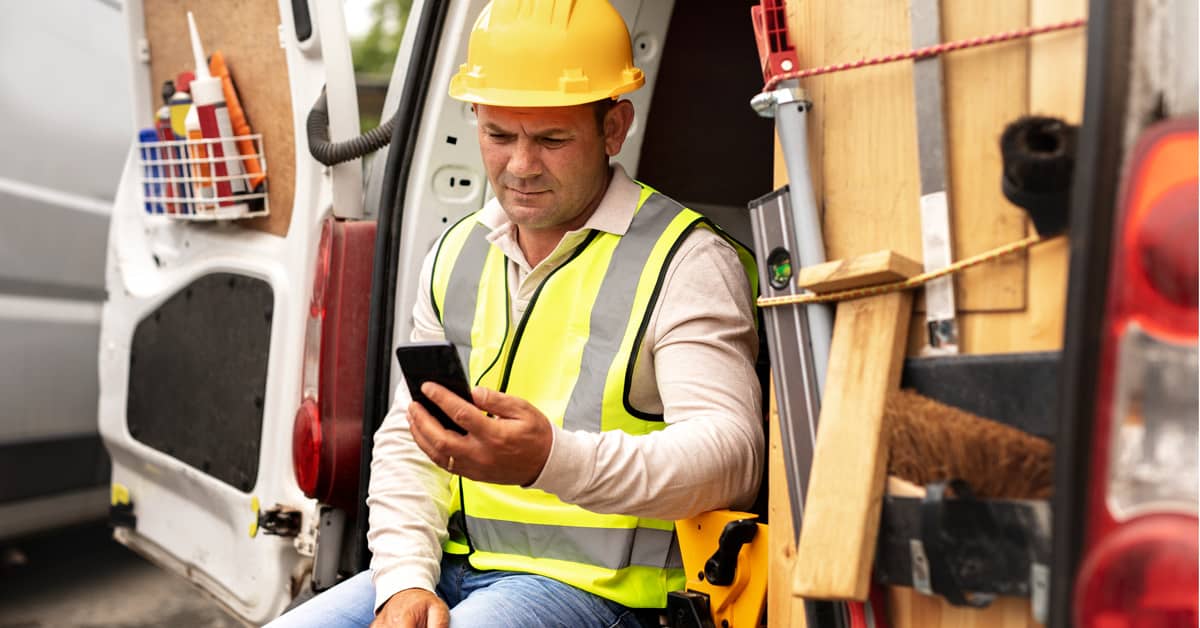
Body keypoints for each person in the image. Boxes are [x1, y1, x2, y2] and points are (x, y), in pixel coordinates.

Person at [269, 1, 762, 626]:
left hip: (600, 594)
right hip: (450, 567)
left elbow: (733, 456)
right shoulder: (457, 250)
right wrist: (401, 579)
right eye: (499, 135)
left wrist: (549, 460)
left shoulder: (688, 261)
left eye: (552, 139)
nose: (521, 166)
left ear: (614, 128)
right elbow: (409, 438)